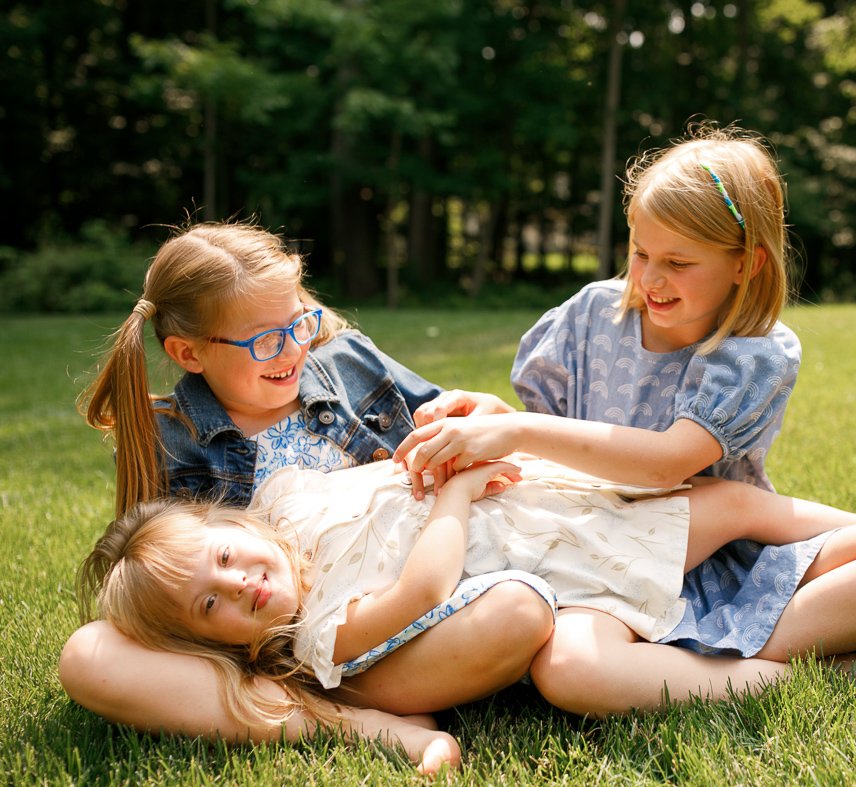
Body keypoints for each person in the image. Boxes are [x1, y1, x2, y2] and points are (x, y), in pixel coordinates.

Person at [394, 124, 856, 716]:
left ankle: (748, 656)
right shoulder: (590, 315)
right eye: (640, 253)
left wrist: (517, 429)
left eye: (678, 261)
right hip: (596, 555)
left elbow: (668, 463)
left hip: (712, 552)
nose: (650, 279)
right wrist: (497, 415)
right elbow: (551, 442)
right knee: (570, 670)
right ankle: (827, 672)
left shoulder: (754, 351)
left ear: (745, 264)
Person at [79, 454, 856, 769]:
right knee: (592, 670)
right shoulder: (318, 635)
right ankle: (839, 669)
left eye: (227, 558)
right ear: (217, 641)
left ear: (236, 524)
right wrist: (458, 498)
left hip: (592, 535)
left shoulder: (289, 497)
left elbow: (401, 461)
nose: (242, 583)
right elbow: (427, 592)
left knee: (756, 510)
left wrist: (463, 446)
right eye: (215, 604)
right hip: (583, 593)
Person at [59, 222, 555, 744]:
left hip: (433, 590)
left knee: (515, 611)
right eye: (267, 340)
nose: (293, 350)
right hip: (307, 652)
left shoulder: (350, 364)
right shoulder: (170, 438)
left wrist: (487, 416)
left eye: (299, 324)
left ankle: (336, 704)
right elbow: (164, 593)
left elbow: (473, 435)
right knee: (90, 656)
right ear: (189, 353)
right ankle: (343, 721)